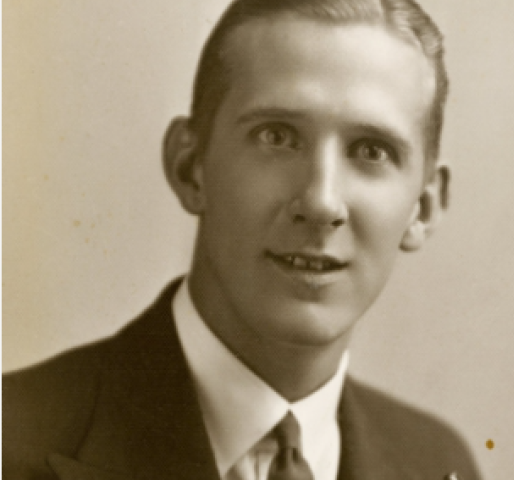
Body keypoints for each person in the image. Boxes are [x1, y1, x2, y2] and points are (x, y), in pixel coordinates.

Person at [3, 0, 482, 479]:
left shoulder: (436, 463)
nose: (320, 202)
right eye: (277, 136)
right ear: (190, 168)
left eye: (371, 150)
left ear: (422, 207)